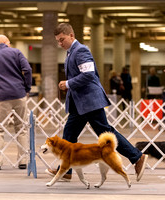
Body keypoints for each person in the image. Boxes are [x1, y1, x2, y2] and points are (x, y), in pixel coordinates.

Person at [45, 23, 148, 182]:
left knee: (106, 134)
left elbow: (89, 75)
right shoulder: (71, 52)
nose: (60, 43)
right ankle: (65, 171)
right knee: (69, 134)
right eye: (58, 41)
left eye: (62, 39)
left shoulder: (81, 50)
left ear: (71, 35)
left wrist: (69, 83)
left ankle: (137, 157)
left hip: (89, 101)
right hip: (80, 103)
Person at [0, 35, 32, 170]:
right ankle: (23, 160)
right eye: (9, 42)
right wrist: (27, 88)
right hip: (19, 94)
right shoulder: (16, 52)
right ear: (5, 42)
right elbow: (27, 70)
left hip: (1, 96)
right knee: (21, 127)